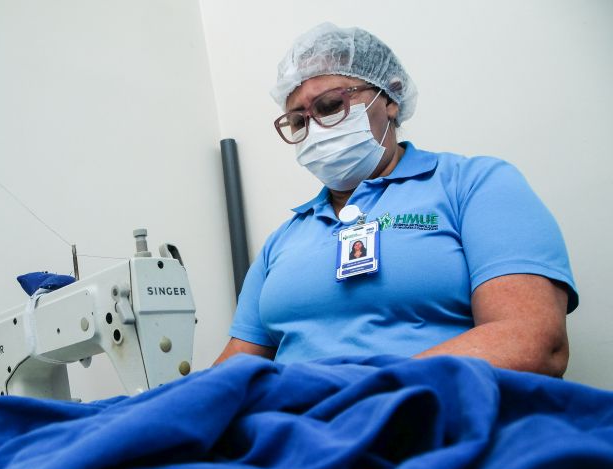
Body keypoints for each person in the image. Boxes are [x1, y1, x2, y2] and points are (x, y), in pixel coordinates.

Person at [214, 23, 577, 377]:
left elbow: (532, 341)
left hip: (434, 419)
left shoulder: (473, 185)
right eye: (298, 121)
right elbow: (232, 368)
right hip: (290, 427)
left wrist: (363, 397)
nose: (314, 130)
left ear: (388, 98)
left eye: (329, 106)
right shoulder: (284, 239)